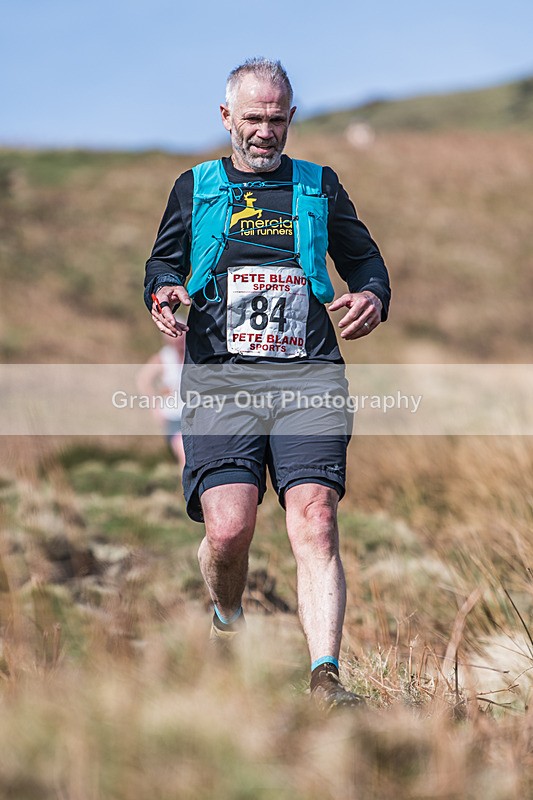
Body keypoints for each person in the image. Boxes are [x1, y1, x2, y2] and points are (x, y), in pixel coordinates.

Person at [143, 58, 391, 708]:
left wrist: (370, 293)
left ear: (290, 117)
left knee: (314, 518)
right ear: (226, 117)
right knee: (228, 529)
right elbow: (164, 259)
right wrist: (163, 288)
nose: (264, 131)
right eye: (252, 118)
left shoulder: (318, 186)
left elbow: (362, 258)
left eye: (276, 119)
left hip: (307, 376)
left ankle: (324, 676)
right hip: (220, 382)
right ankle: (227, 617)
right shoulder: (194, 186)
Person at [137, 330, 186, 470]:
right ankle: (187, 491)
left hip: (195, 414)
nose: (179, 342)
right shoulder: (164, 357)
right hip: (173, 417)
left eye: (182, 338)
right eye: (175, 338)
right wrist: (155, 407)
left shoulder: (195, 354)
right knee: (183, 453)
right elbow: (143, 380)